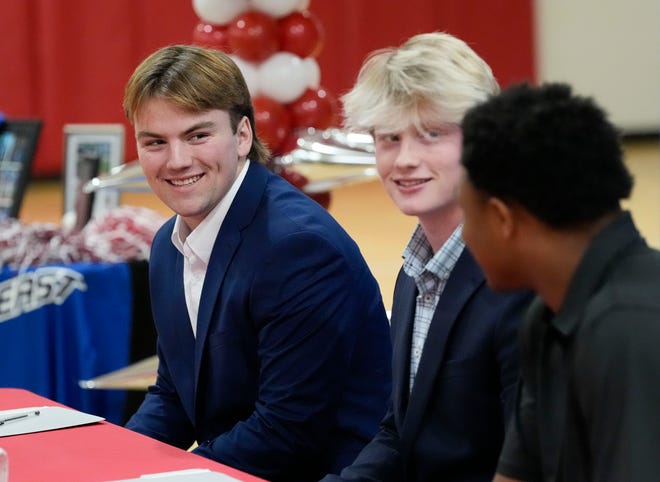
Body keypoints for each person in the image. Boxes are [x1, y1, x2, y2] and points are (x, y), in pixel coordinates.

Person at [122, 44, 393, 482]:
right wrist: (117, 462)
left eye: (197, 135)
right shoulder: (168, 245)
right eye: (155, 142)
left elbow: (287, 432)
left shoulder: (297, 247)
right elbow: (174, 395)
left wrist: (173, 475)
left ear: (243, 135)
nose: (176, 161)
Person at [322, 32, 532, 482]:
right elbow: (402, 431)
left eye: (431, 134)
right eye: (390, 138)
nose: (405, 159)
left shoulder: (524, 281)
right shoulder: (415, 270)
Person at [458, 82, 660, 481]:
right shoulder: (547, 315)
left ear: (502, 219)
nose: (464, 236)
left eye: (467, 216)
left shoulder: (627, 327)